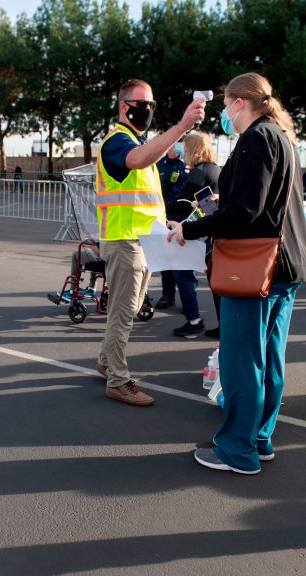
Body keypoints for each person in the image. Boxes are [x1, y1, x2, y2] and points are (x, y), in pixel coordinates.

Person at [168, 72, 306, 474]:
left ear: (238, 103)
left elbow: (245, 212)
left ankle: (237, 450)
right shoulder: (280, 137)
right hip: (285, 266)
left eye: (226, 105)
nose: (224, 114)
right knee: (269, 356)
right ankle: (259, 438)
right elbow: (261, 203)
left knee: (242, 360)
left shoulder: (256, 140)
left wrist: (191, 227)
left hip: (258, 269)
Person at [94, 78, 206, 406]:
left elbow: (145, 197)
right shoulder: (118, 141)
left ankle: (106, 361)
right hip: (123, 240)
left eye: (151, 105)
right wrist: (182, 126)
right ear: (123, 106)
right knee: (123, 312)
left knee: (128, 309)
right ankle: (117, 379)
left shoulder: (137, 141)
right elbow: (137, 161)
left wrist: (165, 222)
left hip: (142, 240)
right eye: (141, 104)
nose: (147, 110)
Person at [168, 131, 221, 338]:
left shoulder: (198, 172)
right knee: (215, 279)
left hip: (196, 229)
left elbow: (180, 201)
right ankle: (223, 323)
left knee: (182, 273)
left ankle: (194, 320)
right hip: (212, 231)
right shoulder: (215, 169)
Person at [154, 141, 187, 310]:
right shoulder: (158, 164)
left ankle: (187, 299)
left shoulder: (184, 165)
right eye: (174, 144)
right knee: (166, 260)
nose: (177, 148)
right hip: (164, 217)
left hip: (180, 218)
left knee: (181, 262)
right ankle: (168, 295)